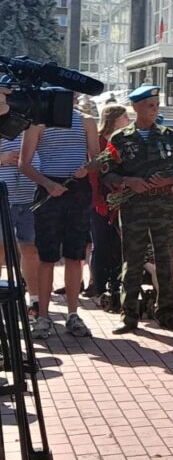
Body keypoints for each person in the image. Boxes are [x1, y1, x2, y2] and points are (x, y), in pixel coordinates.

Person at [103, 86, 173, 334]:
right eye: (150, 104)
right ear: (136, 107)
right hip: (134, 206)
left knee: (164, 258)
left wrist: (168, 179)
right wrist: (129, 182)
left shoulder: (169, 136)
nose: (155, 108)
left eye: (157, 104)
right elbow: (107, 174)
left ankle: (167, 311)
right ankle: (129, 315)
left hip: (162, 205)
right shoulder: (120, 138)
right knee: (133, 260)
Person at [20, 94, 99, 339]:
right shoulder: (37, 123)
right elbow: (25, 163)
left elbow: (98, 158)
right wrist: (47, 184)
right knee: (47, 255)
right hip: (49, 189)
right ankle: (43, 317)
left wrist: (87, 168)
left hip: (78, 190)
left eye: (69, 94)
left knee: (75, 255)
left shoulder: (86, 121)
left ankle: (73, 314)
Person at [87, 104, 131, 308]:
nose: (128, 119)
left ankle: (115, 285)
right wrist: (98, 198)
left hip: (121, 199)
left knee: (117, 244)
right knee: (101, 243)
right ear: (114, 118)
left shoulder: (125, 140)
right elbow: (95, 171)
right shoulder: (98, 140)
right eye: (125, 116)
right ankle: (97, 287)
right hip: (100, 198)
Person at [0, 127, 40, 314]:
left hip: (31, 198)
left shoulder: (33, 125)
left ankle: (34, 301)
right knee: (0, 250)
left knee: (31, 250)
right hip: (3, 200)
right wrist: (2, 158)